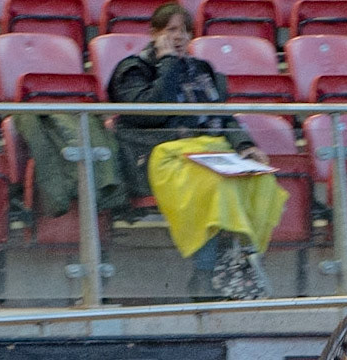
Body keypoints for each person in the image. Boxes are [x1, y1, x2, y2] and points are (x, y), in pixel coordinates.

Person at [108, 3, 286, 300]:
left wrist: (245, 145)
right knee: (215, 184)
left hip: (209, 151)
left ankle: (237, 261)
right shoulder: (133, 69)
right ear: (154, 33)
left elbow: (223, 116)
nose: (179, 37)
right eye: (171, 30)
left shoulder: (202, 70)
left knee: (260, 180)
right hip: (159, 156)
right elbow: (147, 113)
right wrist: (167, 64)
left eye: (185, 31)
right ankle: (206, 277)